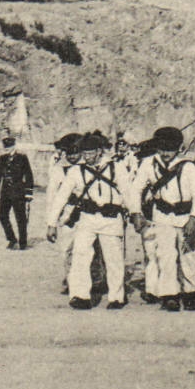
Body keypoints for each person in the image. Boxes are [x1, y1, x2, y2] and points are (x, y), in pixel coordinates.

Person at [46, 132, 128, 310]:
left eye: (90, 153)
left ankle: (116, 297)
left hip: (111, 218)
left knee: (113, 259)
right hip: (87, 219)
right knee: (80, 256)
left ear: (99, 151)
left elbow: (128, 192)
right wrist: (51, 223)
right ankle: (80, 295)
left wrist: (135, 213)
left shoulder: (117, 168)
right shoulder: (76, 171)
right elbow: (61, 196)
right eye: (84, 154)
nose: (86, 157)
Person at [130, 126, 195, 311]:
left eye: (170, 149)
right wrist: (136, 212)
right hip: (162, 215)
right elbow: (136, 189)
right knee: (165, 255)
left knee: (188, 255)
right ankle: (169, 294)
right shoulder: (148, 164)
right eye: (161, 148)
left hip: (185, 216)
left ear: (178, 148)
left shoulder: (188, 167)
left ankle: (190, 290)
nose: (165, 153)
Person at [0, 136, 34, 250]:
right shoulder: (2, 158)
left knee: (20, 217)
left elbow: (28, 175)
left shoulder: (22, 158)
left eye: (9, 146)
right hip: (5, 192)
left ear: (14, 146)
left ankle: (23, 242)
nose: (7, 149)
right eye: (6, 147)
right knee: (2, 216)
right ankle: (12, 239)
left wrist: (29, 192)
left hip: (18, 191)